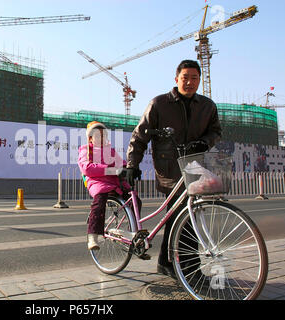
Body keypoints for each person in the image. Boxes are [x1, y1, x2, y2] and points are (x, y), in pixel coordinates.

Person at [125, 59, 222, 278]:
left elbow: (216, 131)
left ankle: (167, 263)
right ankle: (189, 268)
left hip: (195, 167)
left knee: (185, 216)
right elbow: (140, 136)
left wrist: (205, 142)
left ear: (199, 80)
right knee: (183, 215)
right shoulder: (159, 104)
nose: (189, 82)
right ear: (176, 79)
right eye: (185, 77)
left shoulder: (208, 106)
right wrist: (132, 165)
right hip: (169, 169)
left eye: (194, 78)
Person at [78, 121, 142, 250]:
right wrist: (111, 170)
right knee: (99, 203)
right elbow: (87, 168)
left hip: (115, 182)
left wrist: (130, 169)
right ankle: (93, 236)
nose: (101, 138)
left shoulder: (110, 151)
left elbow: (122, 164)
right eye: (97, 135)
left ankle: (134, 233)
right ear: (90, 138)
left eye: (103, 135)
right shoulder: (86, 150)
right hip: (98, 182)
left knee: (135, 201)